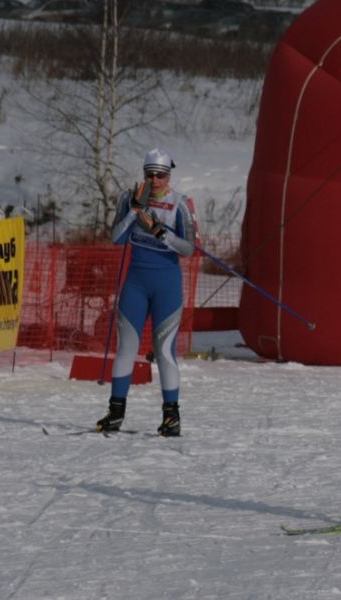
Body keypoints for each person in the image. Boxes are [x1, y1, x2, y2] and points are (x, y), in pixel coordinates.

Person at [96, 149, 198, 436]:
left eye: (160, 175)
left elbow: (189, 248)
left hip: (166, 284)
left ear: (169, 176)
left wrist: (158, 231)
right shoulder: (129, 197)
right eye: (150, 174)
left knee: (164, 351)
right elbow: (117, 238)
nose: (155, 180)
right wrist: (133, 211)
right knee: (126, 348)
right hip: (136, 284)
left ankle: (171, 417)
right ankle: (115, 413)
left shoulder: (180, 203)